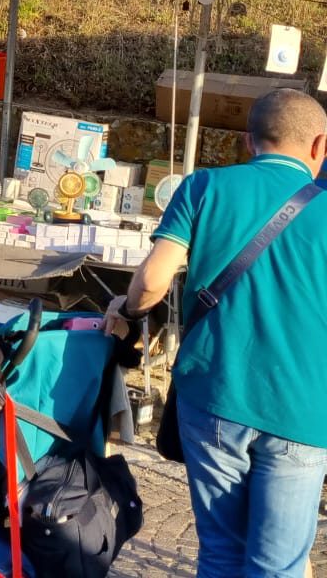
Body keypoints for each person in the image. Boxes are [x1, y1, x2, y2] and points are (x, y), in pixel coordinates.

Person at [105, 89, 327, 578]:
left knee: (221, 551)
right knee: (279, 566)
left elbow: (152, 281)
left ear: (249, 141)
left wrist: (128, 308)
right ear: (319, 146)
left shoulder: (203, 187)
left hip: (214, 395)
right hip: (304, 408)